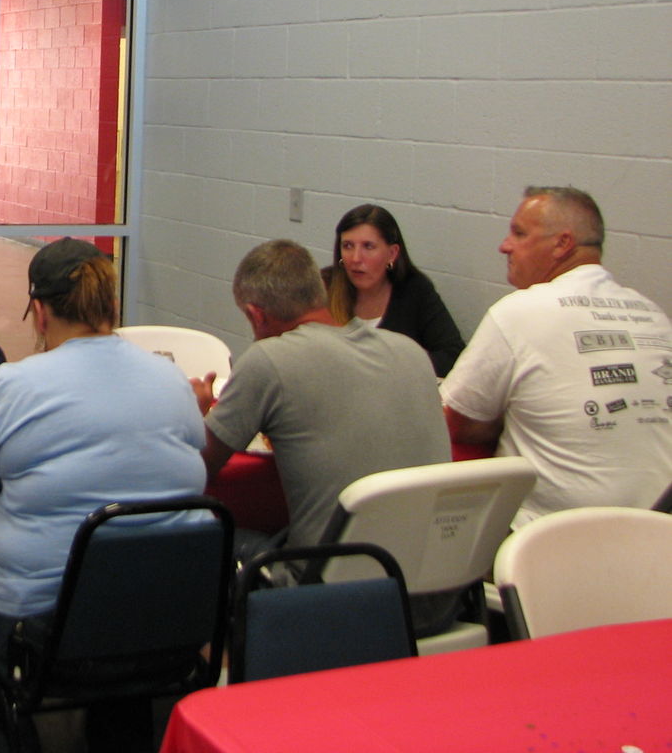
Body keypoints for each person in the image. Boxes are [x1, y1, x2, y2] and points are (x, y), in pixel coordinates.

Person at [0, 238, 207, 753]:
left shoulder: (9, 387)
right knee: (121, 599)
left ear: (39, 314)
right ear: (112, 309)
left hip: (47, 633)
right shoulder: (172, 380)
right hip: (168, 622)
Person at [197, 239, 450, 566]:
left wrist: (194, 413)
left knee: (207, 534)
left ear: (255, 315)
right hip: (439, 588)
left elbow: (195, 471)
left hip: (331, 594)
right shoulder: (412, 352)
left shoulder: (269, 361)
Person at [441, 187, 672, 528]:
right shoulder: (652, 313)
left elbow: (452, 422)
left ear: (563, 244)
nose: (505, 246)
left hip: (551, 543)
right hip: (655, 542)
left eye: (519, 233)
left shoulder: (519, 312)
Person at [323, 204, 465, 376]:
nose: (355, 258)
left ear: (392, 253)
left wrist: (393, 365)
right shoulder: (325, 286)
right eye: (347, 246)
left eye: (368, 246)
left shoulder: (414, 290)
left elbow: (453, 355)